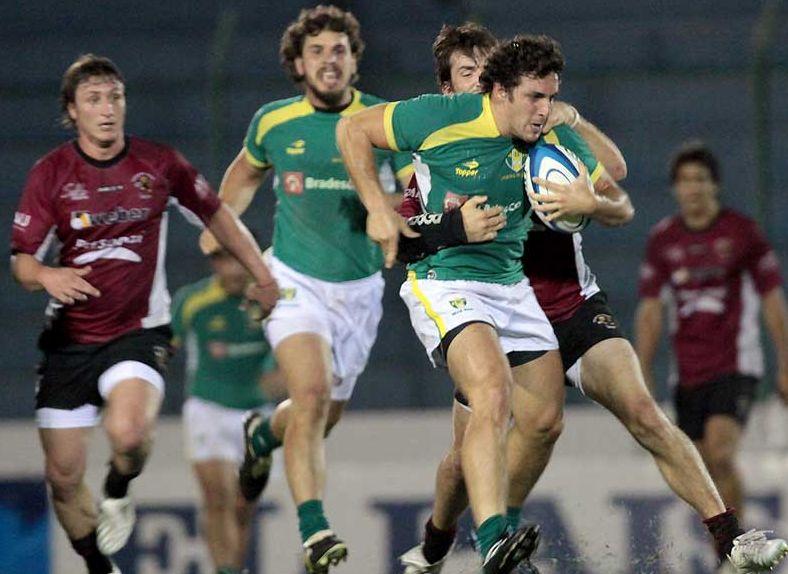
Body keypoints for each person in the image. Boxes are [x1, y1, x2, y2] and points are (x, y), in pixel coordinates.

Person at [9, 54, 277, 574]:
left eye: (115, 97)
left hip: (137, 331)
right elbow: (21, 261)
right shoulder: (51, 174)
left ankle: (118, 487)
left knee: (129, 434)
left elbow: (218, 217)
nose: (107, 109)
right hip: (69, 340)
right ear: (73, 110)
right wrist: (47, 276)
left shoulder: (158, 164)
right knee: (63, 478)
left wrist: (262, 277)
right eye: (94, 99)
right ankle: (97, 563)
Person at [338, 33, 596, 573]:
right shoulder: (436, 118)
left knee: (541, 420)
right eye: (534, 97)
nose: (543, 110)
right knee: (492, 391)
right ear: (496, 91)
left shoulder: (543, 134)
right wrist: (382, 210)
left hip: (510, 287)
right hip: (445, 283)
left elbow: (606, 175)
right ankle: (495, 536)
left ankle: (433, 546)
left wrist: (583, 193)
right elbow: (352, 129)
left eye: (551, 98)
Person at [196, 5, 423, 572]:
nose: (330, 60)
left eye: (339, 50)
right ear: (298, 64)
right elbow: (243, 179)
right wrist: (219, 225)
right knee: (313, 393)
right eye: (317, 51)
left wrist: (394, 212)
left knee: (319, 415)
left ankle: (261, 436)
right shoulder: (274, 122)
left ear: (353, 61)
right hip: (293, 282)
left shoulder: (382, 120)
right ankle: (314, 529)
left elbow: (411, 194)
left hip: (361, 290)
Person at [636, 141, 788, 570]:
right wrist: (641, 370)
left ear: (715, 185)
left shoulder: (742, 234)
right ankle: (725, 552)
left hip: (736, 365)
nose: (693, 188)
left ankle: (739, 550)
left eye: (700, 179)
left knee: (721, 453)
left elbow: (773, 301)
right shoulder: (663, 240)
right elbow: (650, 312)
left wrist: (786, 362)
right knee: (701, 469)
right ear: (674, 190)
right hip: (687, 375)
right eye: (684, 181)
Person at [171, 248, 286, 574]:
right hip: (208, 406)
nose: (233, 269)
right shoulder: (193, 300)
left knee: (242, 504)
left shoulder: (269, 300)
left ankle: (233, 567)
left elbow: (286, 352)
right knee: (215, 497)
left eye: (239, 260)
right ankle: (226, 570)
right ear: (214, 263)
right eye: (225, 260)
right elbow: (166, 346)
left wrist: (280, 379)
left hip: (255, 413)